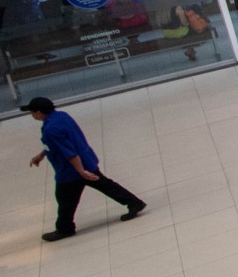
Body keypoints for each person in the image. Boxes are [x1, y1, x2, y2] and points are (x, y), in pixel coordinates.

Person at [24, 97, 146, 241]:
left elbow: (70, 152)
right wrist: (42, 155)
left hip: (71, 172)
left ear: (39, 113)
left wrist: (81, 171)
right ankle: (134, 203)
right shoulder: (61, 116)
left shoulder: (50, 129)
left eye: (32, 112)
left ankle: (65, 229)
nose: (31, 115)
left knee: (64, 199)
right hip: (86, 161)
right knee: (106, 185)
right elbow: (57, 144)